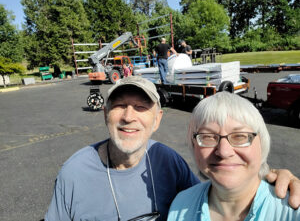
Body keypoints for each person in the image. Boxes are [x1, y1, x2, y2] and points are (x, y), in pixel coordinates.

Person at [45, 76, 300, 221]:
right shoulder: (74, 173)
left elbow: (223, 183)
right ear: (105, 114)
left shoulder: (167, 162)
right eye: (120, 105)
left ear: (157, 120)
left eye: (141, 107)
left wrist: (265, 174)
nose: (129, 116)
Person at [167, 92, 300, 221]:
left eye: (239, 136)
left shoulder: (293, 211)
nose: (224, 151)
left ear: (261, 143)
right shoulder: (181, 204)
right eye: (208, 137)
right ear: (193, 145)